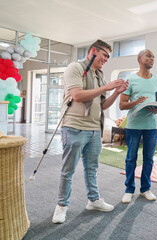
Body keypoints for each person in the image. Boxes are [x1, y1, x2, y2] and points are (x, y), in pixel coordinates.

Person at [52, 39, 129, 224]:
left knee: (92, 169)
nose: (106, 59)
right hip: (74, 127)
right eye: (104, 55)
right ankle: (61, 206)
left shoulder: (99, 75)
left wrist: (116, 92)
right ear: (93, 51)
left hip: (95, 129)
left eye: (108, 56)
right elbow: (77, 95)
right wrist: (106, 87)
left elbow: (102, 105)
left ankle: (93, 200)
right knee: (68, 170)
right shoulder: (75, 68)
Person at [119, 49, 157, 204]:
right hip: (134, 125)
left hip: (152, 125)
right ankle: (129, 190)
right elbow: (122, 105)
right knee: (131, 158)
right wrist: (135, 103)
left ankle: (145, 189)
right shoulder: (130, 80)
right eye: (148, 56)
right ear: (140, 59)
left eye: (153, 56)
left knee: (149, 159)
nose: (152, 58)